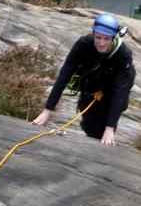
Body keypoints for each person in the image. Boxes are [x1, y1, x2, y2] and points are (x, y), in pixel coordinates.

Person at [32, 13, 135, 146]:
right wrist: (47, 111)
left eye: (106, 39)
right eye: (98, 37)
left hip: (113, 90)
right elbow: (64, 75)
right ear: (93, 33)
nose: (101, 43)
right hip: (91, 85)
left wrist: (109, 128)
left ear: (114, 37)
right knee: (88, 125)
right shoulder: (84, 45)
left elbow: (120, 92)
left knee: (102, 128)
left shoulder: (123, 55)